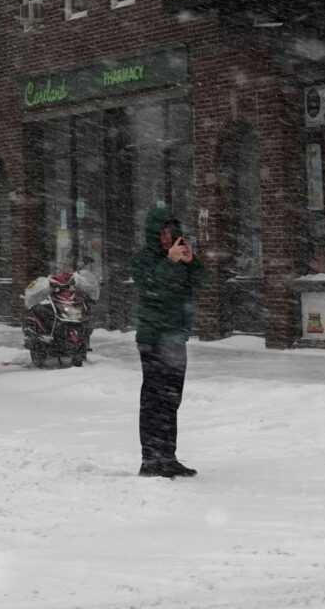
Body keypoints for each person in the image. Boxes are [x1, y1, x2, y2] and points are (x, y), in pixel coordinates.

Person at [130, 205, 208, 478]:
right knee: (154, 400)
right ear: (153, 233)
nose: (167, 237)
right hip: (153, 337)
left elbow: (202, 281)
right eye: (162, 232)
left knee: (171, 399)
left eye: (170, 231)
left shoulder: (178, 256)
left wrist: (191, 261)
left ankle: (168, 456)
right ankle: (150, 460)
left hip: (176, 337)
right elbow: (151, 289)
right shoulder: (142, 260)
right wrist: (169, 262)